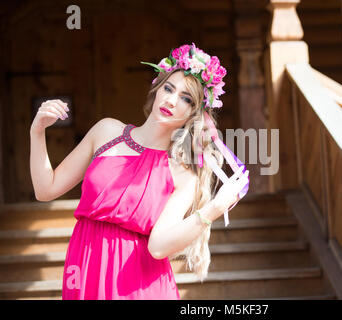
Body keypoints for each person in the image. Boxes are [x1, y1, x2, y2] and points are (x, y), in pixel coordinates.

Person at [29, 43, 249, 300]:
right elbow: (45, 189)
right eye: (168, 88)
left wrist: (214, 209)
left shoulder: (181, 173)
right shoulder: (106, 131)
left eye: (186, 98)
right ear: (156, 89)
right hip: (86, 267)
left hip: (138, 285)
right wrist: (37, 131)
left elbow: (158, 248)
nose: (171, 100)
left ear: (194, 113)